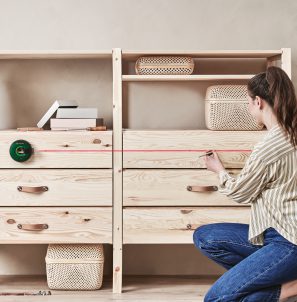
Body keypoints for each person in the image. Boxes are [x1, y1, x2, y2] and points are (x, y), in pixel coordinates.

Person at [193, 66, 297, 302]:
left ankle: (290, 288)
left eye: (248, 102)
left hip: (289, 242)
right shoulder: (291, 133)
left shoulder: (269, 147)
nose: (248, 108)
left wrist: (219, 171)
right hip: (276, 234)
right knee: (206, 237)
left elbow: (240, 193)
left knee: (216, 299)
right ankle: (269, 280)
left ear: (258, 102)